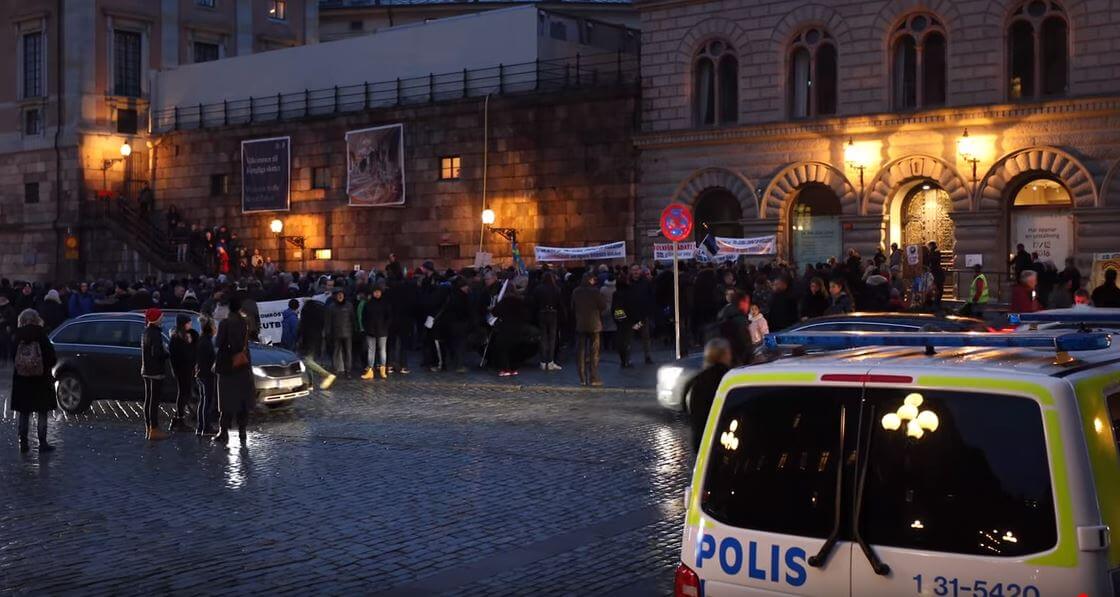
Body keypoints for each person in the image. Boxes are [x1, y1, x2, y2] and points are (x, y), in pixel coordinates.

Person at [11, 309, 57, 453]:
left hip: (22, 380)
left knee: (24, 412)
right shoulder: (42, 336)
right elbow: (51, 358)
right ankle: (42, 442)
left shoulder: (17, 336)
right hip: (41, 380)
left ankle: (23, 442)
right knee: (42, 411)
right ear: (37, 319)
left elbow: (12, 356)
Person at [214, 295, 254, 445]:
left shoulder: (225, 323)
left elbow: (219, 343)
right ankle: (242, 431)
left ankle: (224, 431)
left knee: (226, 400)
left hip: (228, 366)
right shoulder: (245, 322)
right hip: (243, 365)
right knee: (242, 399)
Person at [684, 338, 732, 452]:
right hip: (721, 441)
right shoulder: (728, 379)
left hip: (701, 440)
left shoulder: (697, 380)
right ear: (724, 355)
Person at [571, 273, 607, 386]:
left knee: (581, 352)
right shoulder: (595, 291)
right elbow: (603, 306)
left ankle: (582, 378)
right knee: (594, 352)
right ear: (590, 280)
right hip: (594, 325)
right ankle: (593, 377)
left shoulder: (576, 291)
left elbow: (572, 307)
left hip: (581, 324)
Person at [141, 308, 169, 441]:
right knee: (154, 401)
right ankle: (154, 429)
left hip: (146, 370)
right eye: (161, 317)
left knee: (148, 400)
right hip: (155, 371)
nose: (163, 318)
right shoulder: (155, 333)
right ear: (156, 319)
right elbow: (157, 353)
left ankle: (149, 428)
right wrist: (166, 353)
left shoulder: (146, 331)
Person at [168, 314, 198, 432]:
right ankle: (179, 419)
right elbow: (178, 356)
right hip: (182, 370)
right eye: (188, 322)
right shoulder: (176, 339)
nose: (190, 324)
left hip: (189, 369)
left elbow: (195, 350)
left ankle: (177, 419)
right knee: (183, 393)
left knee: (185, 393)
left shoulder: (192, 335)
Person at [532, 272, 563, 371]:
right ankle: (550, 361)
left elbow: (534, 302)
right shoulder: (556, 289)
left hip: (541, 313)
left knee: (543, 338)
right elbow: (560, 303)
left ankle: (543, 361)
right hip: (553, 313)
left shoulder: (538, 289)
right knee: (552, 339)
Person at [360, 284, 391, 379]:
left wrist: (385, 327)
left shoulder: (385, 304)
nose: (377, 293)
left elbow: (389, 318)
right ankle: (370, 370)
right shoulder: (368, 304)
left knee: (382, 350)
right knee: (372, 351)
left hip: (382, 331)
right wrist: (367, 328)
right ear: (373, 293)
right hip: (371, 331)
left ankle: (382, 369)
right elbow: (364, 318)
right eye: (375, 292)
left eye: (378, 292)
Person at [195, 316, 218, 436]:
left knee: (204, 400)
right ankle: (205, 427)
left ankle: (201, 427)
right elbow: (208, 359)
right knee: (207, 401)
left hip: (202, 373)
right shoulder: (206, 341)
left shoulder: (203, 339)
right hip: (206, 374)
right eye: (214, 326)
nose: (216, 329)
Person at [324, 288, 355, 377]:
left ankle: (348, 371)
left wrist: (354, 330)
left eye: (341, 294)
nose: (340, 296)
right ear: (335, 296)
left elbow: (352, 319)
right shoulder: (331, 307)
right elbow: (328, 321)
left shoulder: (348, 306)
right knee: (336, 352)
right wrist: (328, 333)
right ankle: (336, 370)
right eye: (338, 295)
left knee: (348, 352)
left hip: (347, 333)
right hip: (336, 333)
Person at [717, 290, 752, 366]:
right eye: (747, 302)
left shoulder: (724, 314)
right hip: (739, 364)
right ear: (741, 303)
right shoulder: (740, 319)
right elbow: (745, 345)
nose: (748, 305)